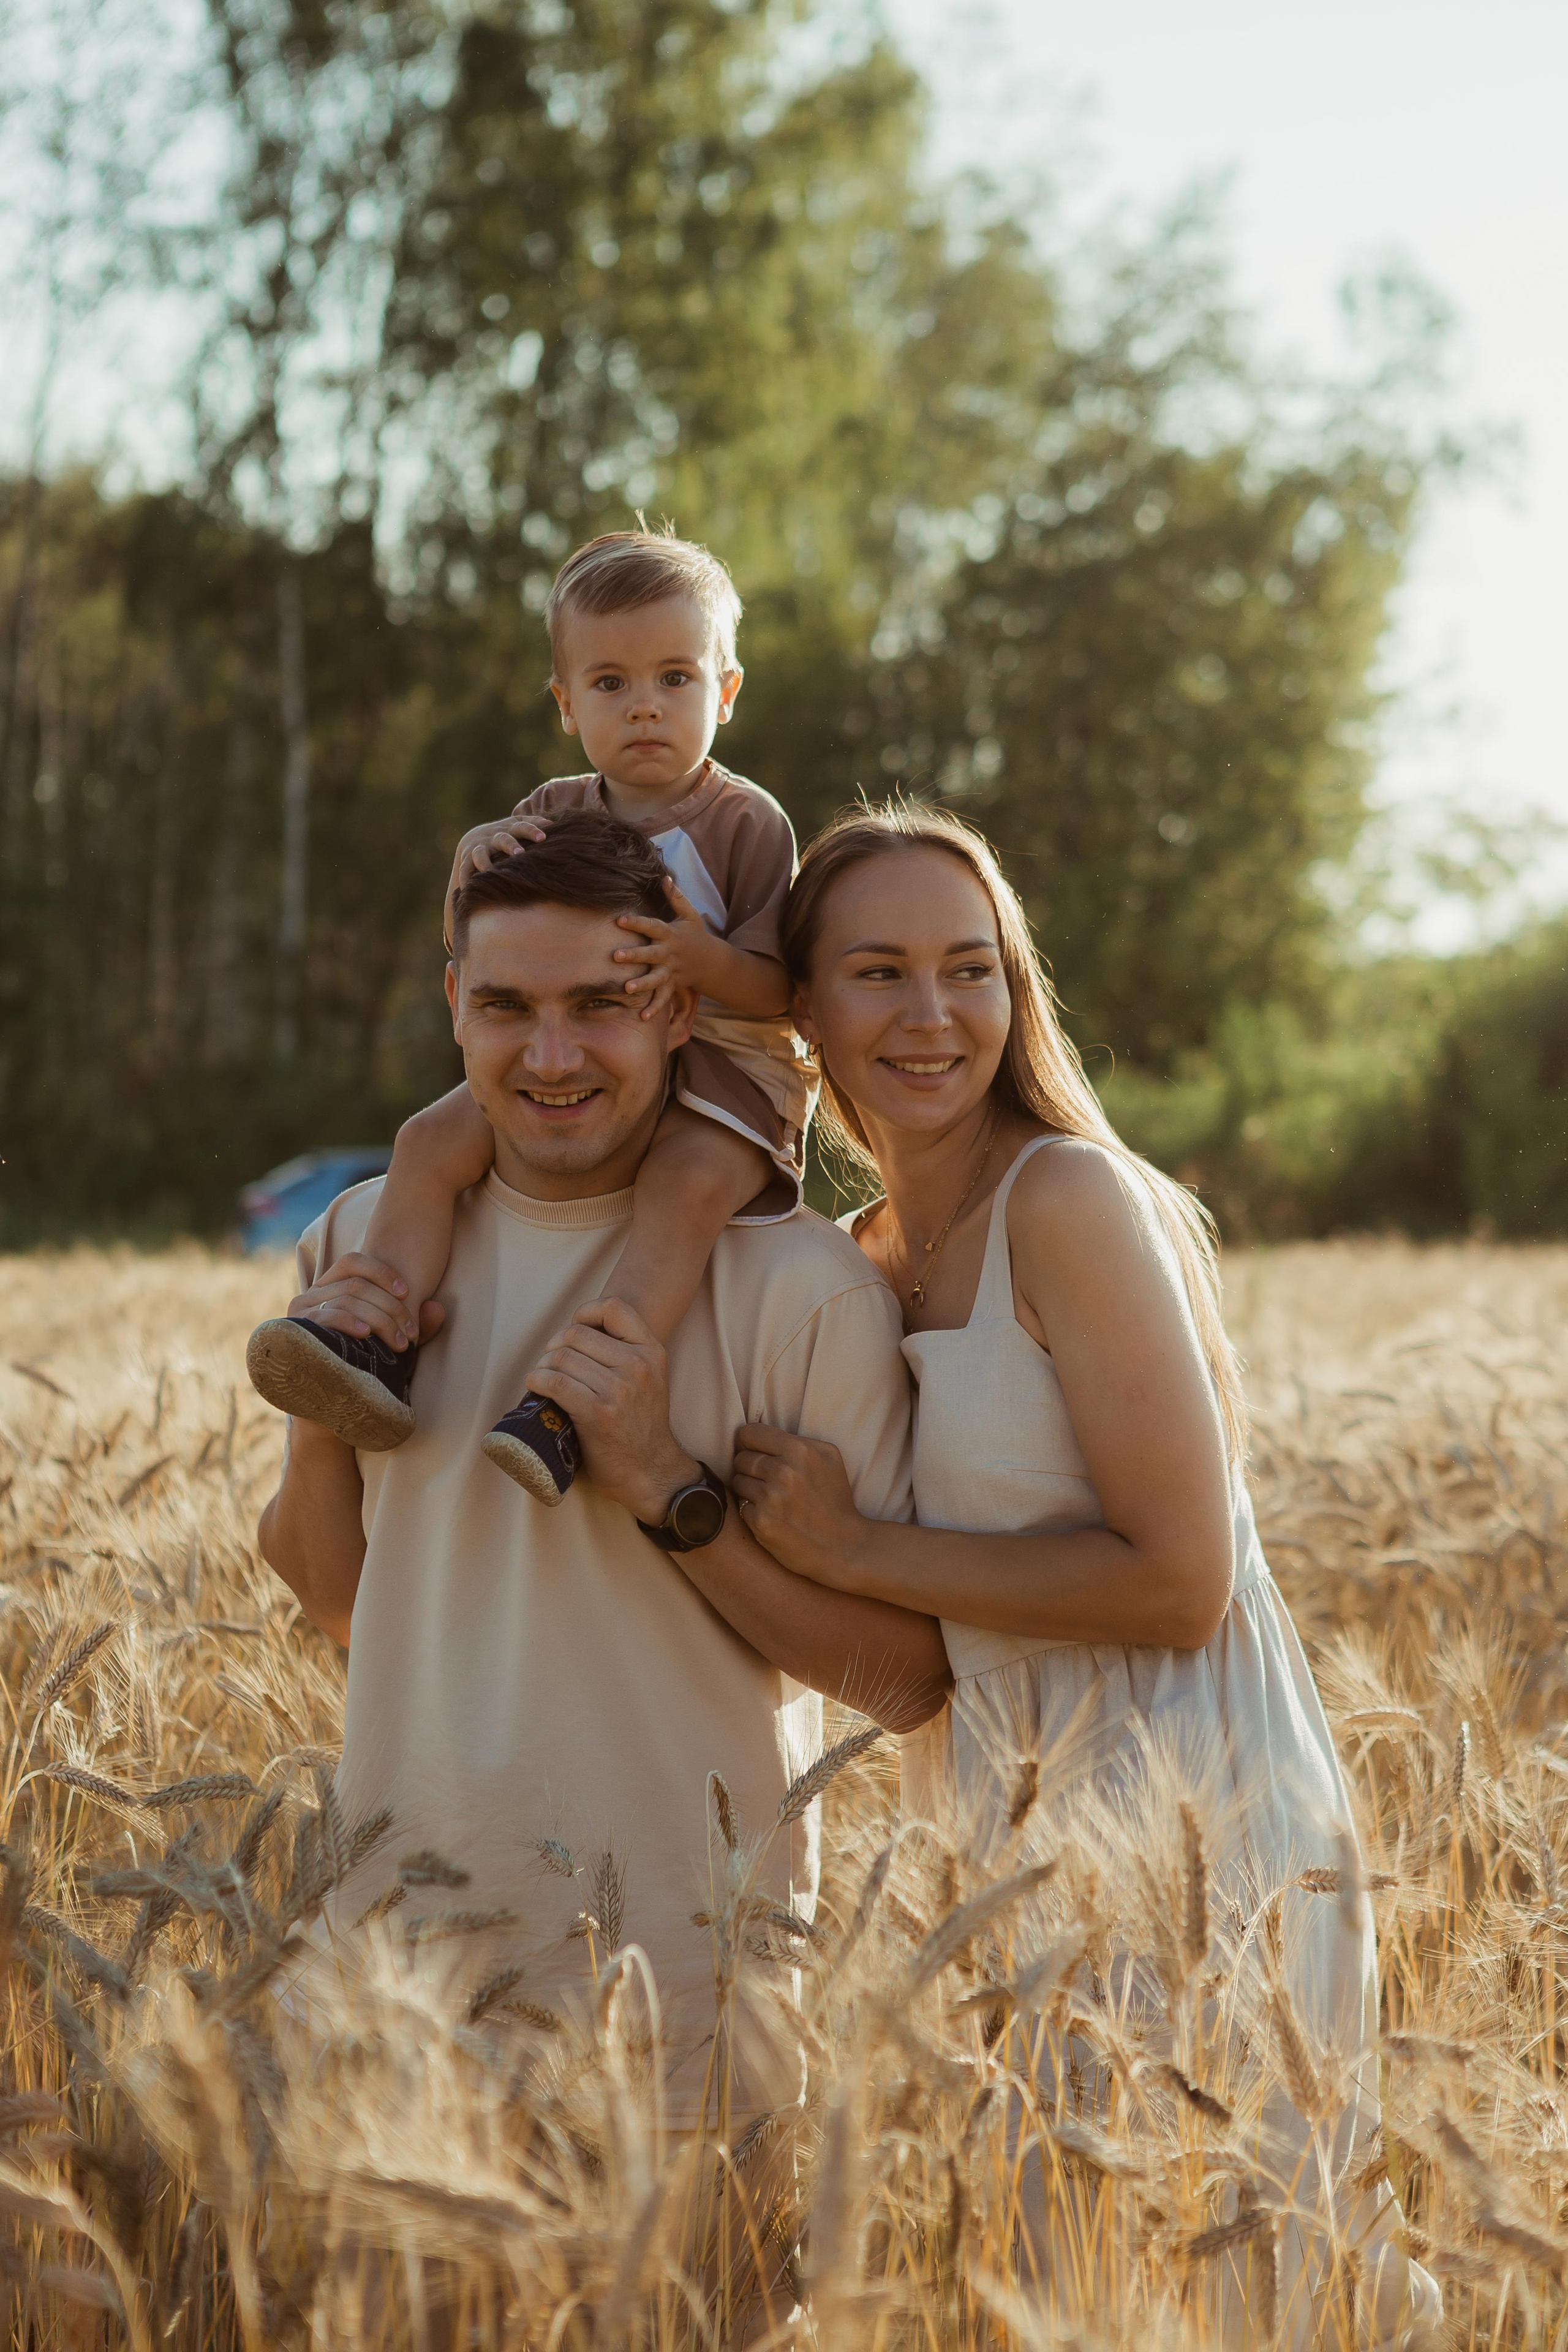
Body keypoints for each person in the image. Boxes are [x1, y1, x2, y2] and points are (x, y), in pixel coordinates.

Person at [728, 801, 1439, 2343]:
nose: (932, 1015)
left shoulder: (1065, 1200)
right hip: (1002, 1821)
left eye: (969, 969)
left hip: (1196, 1803)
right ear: (802, 1009)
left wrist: (855, 1544)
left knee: (1234, 2269)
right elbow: (915, 1643)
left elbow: (1179, 1582)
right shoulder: (858, 1254)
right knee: (1065, 2278)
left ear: (1014, 989)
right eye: (878, 974)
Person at [256, 807, 950, 2122]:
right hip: (402, 1989)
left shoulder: (796, 1286)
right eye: (509, 1007)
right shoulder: (366, 1245)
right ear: (455, 1005)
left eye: (602, 1004)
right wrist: (326, 1398)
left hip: (688, 2009)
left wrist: (666, 1489)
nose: (554, 1054)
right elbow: (336, 1601)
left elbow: (904, 1679)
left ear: (679, 1012)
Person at [247, 527, 815, 1507]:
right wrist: (474, 847)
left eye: (676, 679)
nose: (645, 704)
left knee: (681, 1195)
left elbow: (782, 991)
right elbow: (478, 942)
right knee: (429, 1140)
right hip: (593, 1052)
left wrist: (700, 961)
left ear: (726, 692)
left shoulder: (746, 822)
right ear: (565, 705)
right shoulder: (552, 806)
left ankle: (576, 1401)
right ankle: (372, 1336)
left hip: (729, 1064)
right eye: (609, 684)